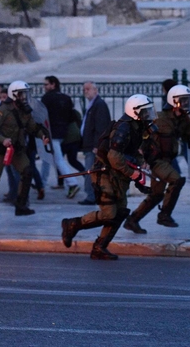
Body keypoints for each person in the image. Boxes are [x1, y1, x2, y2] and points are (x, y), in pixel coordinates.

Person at [61, 94, 156, 260]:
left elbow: (133, 151)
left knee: (120, 212)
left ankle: (99, 247)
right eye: (145, 112)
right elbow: (114, 157)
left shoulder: (137, 127)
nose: (148, 115)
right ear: (135, 112)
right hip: (104, 174)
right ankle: (72, 224)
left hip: (118, 176)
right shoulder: (123, 128)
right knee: (110, 213)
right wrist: (132, 173)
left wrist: (141, 164)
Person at [124, 85, 190, 233]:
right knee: (177, 180)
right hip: (156, 160)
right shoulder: (160, 119)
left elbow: (188, 135)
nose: (186, 103)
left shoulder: (183, 120)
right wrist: (140, 155)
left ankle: (132, 220)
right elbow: (143, 135)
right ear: (174, 101)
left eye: (188, 100)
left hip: (167, 160)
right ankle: (164, 215)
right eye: (183, 100)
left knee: (156, 194)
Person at [0, 81, 50, 217]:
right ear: (14, 95)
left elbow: (32, 127)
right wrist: (3, 139)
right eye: (22, 94)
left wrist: (42, 135)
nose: (24, 97)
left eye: (26, 94)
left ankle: (21, 206)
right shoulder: (3, 110)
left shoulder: (25, 111)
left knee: (27, 171)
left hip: (16, 149)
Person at [41, 76, 80, 198]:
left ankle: (72, 183)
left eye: (46, 84)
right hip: (63, 133)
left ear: (53, 84)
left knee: (58, 160)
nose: (44, 87)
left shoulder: (47, 98)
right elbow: (71, 115)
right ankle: (41, 183)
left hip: (52, 133)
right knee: (48, 158)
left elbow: (42, 116)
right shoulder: (66, 98)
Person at [79, 82, 111, 205]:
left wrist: (98, 145)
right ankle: (93, 195)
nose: (86, 91)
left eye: (88, 89)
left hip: (94, 147)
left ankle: (91, 196)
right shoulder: (93, 105)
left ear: (95, 90)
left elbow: (101, 127)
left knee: (91, 171)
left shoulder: (99, 105)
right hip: (90, 145)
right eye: (84, 89)